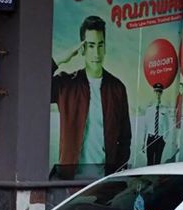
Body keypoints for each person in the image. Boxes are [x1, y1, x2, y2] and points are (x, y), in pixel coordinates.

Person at [51, 15, 131, 178]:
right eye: (91, 45)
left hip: (103, 181)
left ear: (105, 47)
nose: (96, 52)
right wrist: (60, 59)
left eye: (100, 45)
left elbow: (125, 137)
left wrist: (114, 173)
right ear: (83, 49)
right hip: (69, 179)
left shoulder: (117, 88)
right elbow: (36, 90)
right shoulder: (67, 84)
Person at [141, 83, 173, 166]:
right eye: (156, 92)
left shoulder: (165, 110)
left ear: (162, 93)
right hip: (150, 138)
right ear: (153, 93)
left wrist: (164, 140)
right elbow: (145, 127)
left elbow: (167, 127)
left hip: (160, 140)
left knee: (157, 163)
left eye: (159, 92)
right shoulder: (149, 109)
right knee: (149, 162)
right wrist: (143, 142)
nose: (158, 94)